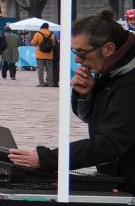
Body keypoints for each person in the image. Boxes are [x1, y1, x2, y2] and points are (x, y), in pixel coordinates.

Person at [8, 12, 134, 196]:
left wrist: (48, 158)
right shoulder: (111, 70)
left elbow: (110, 143)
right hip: (120, 177)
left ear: (108, 48)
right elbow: (95, 119)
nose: (77, 60)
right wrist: (86, 95)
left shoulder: (129, 81)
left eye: (81, 53)